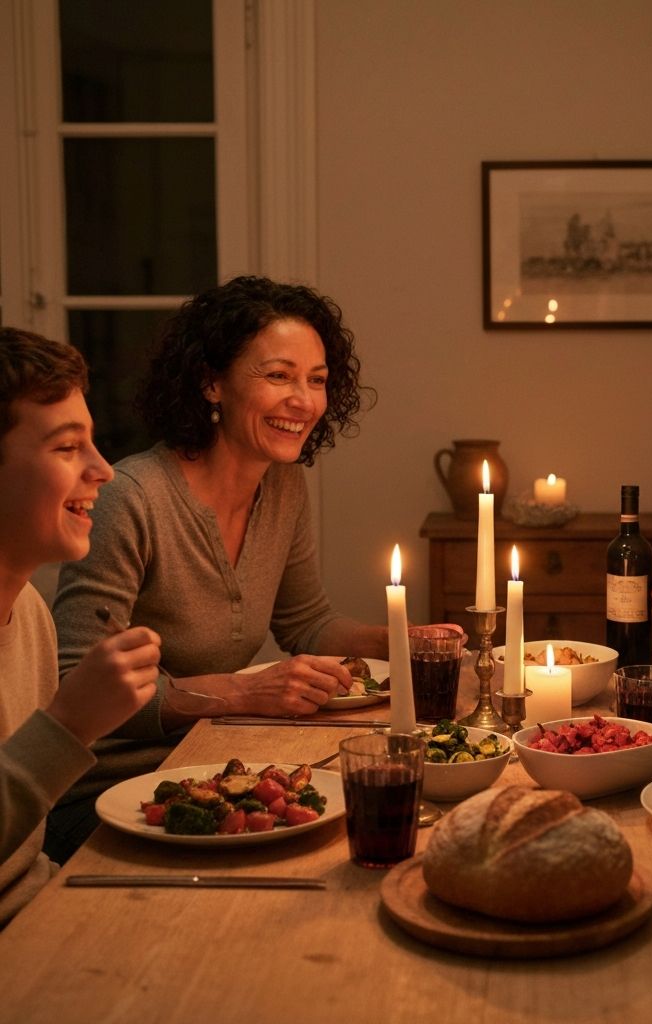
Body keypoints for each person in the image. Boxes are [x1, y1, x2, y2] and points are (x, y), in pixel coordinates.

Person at [45, 275, 388, 861]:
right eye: (278, 375)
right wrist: (242, 691)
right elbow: (73, 681)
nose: (303, 401)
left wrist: (403, 640)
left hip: (215, 769)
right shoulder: (132, 498)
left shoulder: (281, 484)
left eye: (317, 380)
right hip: (108, 798)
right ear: (210, 383)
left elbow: (306, 621)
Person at [0, 327, 161, 924]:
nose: (104, 471)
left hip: (43, 901)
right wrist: (69, 722)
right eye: (68, 448)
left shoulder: (32, 613)